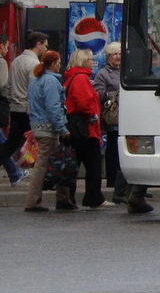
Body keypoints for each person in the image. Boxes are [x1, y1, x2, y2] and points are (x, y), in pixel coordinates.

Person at [23, 51, 73, 212]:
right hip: (48, 129)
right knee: (44, 164)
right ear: (52, 64)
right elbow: (53, 108)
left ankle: (63, 198)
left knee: (58, 161)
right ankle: (34, 201)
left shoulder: (36, 80)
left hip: (38, 126)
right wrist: (62, 129)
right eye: (58, 62)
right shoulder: (51, 81)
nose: (60, 65)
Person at [64, 49, 113, 209]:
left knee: (74, 164)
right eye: (91, 59)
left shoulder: (72, 77)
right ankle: (93, 197)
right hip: (85, 128)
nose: (93, 62)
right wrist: (93, 115)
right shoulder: (81, 79)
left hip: (77, 127)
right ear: (84, 61)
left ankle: (68, 197)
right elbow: (84, 102)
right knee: (93, 165)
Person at [0, 32, 49, 181]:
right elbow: (35, 89)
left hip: (16, 108)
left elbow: (8, 86)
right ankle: (46, 178)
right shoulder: (34, 64)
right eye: (45, 46)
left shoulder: (16, 61)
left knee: (12, 143)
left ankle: (19, 171)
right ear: (38, 44)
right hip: (28, 110)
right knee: (44, 143)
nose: (46, 49)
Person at [92, 42, 124, 200]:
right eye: (114, 54)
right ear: (108, 57)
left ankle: (126, 183)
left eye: (119, 54)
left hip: (127, 114)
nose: (118, 57)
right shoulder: (102, 73)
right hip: (113, 115)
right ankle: (112, 180)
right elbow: (98, 93)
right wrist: (115, 95)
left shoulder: (126, 71)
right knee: (113, 149)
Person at [0, 34, 26, 185]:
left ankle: (15, 173)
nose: (7, 49)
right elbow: (3, 85)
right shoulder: (2, 62)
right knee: (6, 143)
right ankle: (15, 173)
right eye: (6, 46)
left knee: (4, 142)